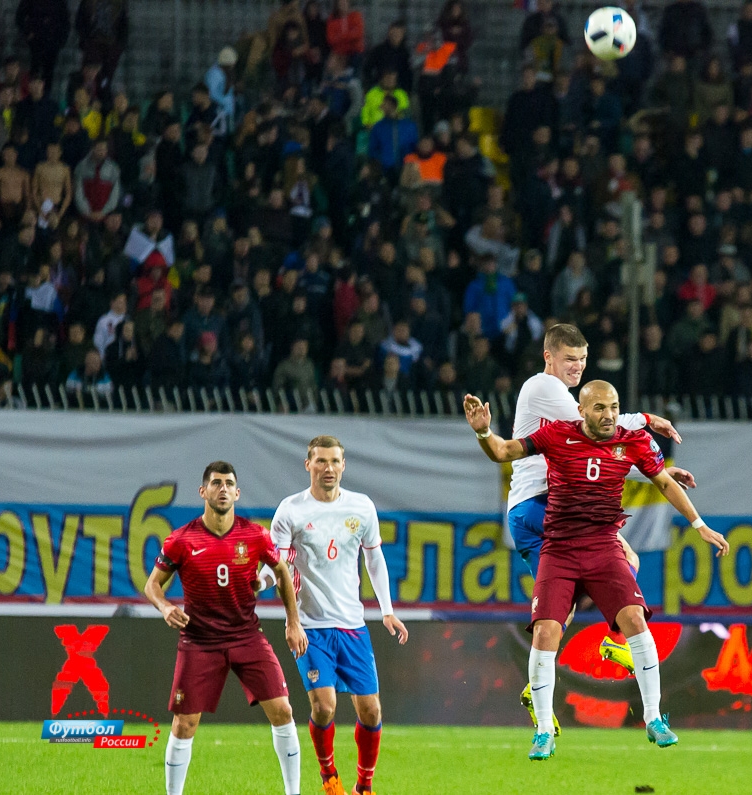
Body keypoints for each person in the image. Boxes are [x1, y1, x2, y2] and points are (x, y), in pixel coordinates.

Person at [465, 379, 728, 760]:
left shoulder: (632, 440)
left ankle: (654, 718)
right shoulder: (557, 434)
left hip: (603, 546)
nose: (608, 415)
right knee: (546, 631)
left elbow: (663, 483)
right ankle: (543, 730)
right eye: (600, 408)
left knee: (635, 618)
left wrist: (699, 524)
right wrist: (483, 432)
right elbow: (504, 451)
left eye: (614, 407)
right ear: (582, 411)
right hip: (559, 549)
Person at [502, 323, 695, 731]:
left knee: (564, 604)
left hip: (529, 511)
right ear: (548, 357)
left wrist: (658, 472)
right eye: (570, 359)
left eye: (583, 359)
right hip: (544, 506)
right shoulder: (544, 387)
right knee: (624, 557)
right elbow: (600, 426)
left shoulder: (551, 392)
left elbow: (600, 450)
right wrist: (647, 419)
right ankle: (616, 639)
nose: (577, 367)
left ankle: (538, 684)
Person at [256, 436, 410, 795]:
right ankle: (329, 776)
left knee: (371, 711)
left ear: (344, 465)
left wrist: (387, 611)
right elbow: (277, 565)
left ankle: (364, 786)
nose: (329, 468)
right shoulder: (291, 510)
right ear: (307, 465)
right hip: (310, 626)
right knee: (324, 707)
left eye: (335, 461)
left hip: (352, 626)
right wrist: (260, 584)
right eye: (321, 461)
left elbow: (374, 558)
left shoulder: (361, 507)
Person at [143, 461, 308, 795]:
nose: (223, 489)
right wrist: (165, 606)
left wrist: (293, 622)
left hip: (246, 636)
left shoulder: (255, 535)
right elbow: (152, 585)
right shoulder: (181, 540)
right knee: (185, 723)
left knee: (283, 711)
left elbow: (282, 571)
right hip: (199, 640)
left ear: (237, 493)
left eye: (229, 483)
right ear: (203, 491)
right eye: (216, 483)